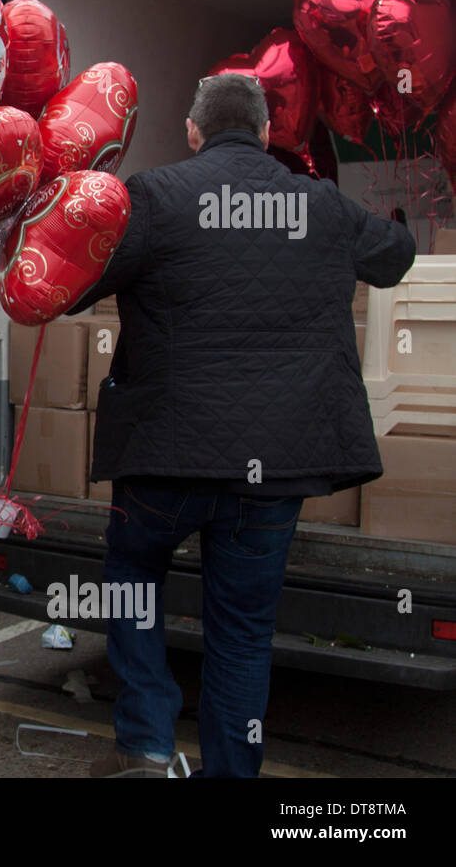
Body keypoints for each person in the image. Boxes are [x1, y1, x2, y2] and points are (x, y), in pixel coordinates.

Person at [70, 74, 415, 777]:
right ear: (265, 134)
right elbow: (394, 258)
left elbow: (78, 284)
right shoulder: (322, 205)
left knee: (133, 572)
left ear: (193, 131)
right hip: (273, 468)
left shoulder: (154, 196)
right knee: (243, 634)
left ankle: (145, 738)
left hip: (162, 458)